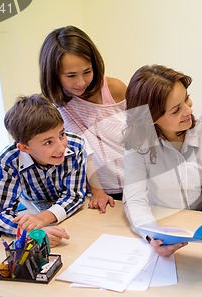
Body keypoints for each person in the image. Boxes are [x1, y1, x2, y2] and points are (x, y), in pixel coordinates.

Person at [123, 65, 202, 257]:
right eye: (176, 110)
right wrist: (153, 237)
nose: (188, 109)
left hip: (201, 228)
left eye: (186, 98)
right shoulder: (137, 141)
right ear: (151, 119)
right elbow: (134, 199)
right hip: (162, 224)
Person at [39, 25, 127, 213]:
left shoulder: (115, 88)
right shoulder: (53, 106)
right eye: (71, 75)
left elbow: (146, 139)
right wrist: (97, 191)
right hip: (101, 195)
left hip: (141, 185)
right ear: (53, 74)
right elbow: (82, 151)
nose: (81, 82)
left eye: (87, 72)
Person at [0, 94, 87, 248]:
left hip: (68, 217)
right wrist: (34, 233)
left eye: (61, 134)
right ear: (25, 148)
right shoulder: (9, 161)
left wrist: (43, 218)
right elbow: (0, 214)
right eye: (48, 142)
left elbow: (74, 196)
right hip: (32, 206)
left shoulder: (75, 147)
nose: (61, 147)